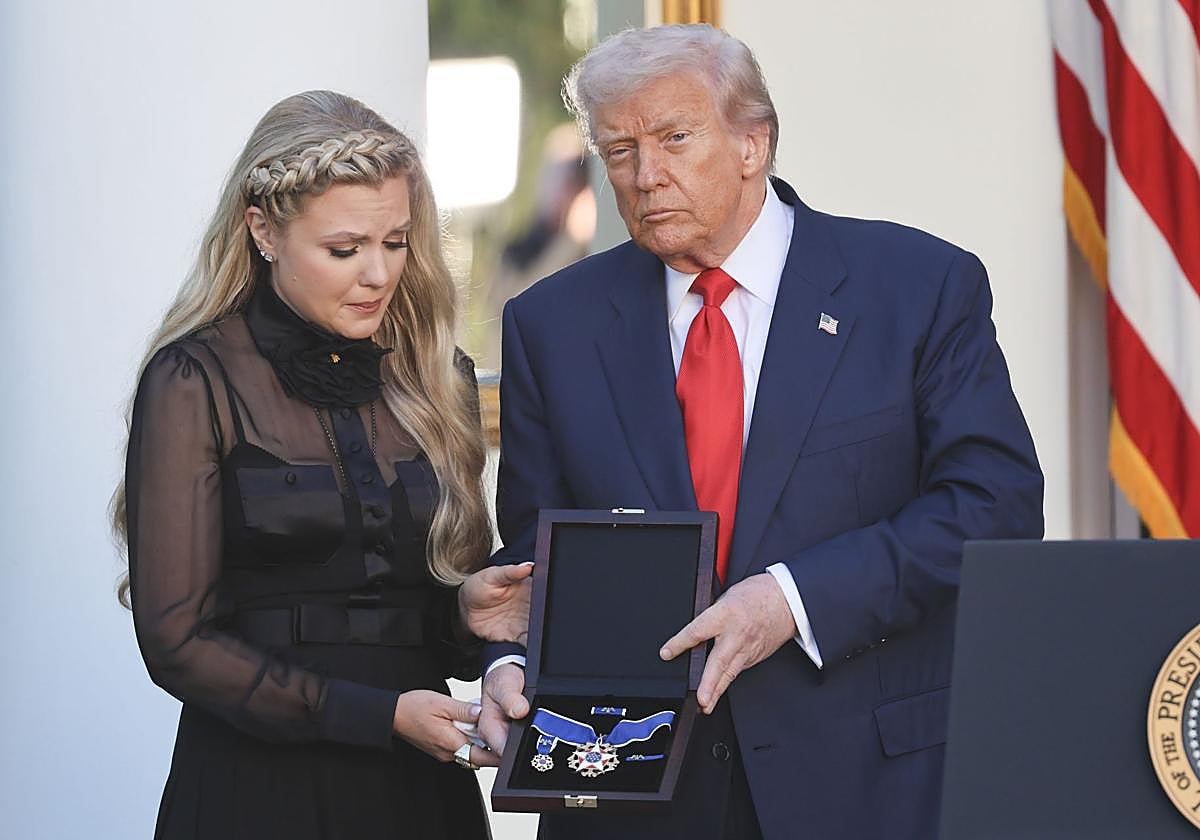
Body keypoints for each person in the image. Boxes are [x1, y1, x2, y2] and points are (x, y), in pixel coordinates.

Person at [480, 24, 1044, 840]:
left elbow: (994, 507)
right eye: (619, 151)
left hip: (867, 785)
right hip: (640, 797)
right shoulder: (550, 324)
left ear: (754, 143)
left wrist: (793, 598)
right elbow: (538, 551)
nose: (645, 176)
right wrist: (506, 665)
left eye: (674, 139)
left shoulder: (916, 287)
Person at [114, 90, 531, 839]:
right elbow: (176, 642)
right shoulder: (193, 381)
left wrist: (465, 612)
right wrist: (378, 715)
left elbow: (430, 627)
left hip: (418, 793)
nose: (378, 273)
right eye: (345, 249)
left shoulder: (440, 377)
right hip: (256, 792)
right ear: (263, 231)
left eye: (396, 242)